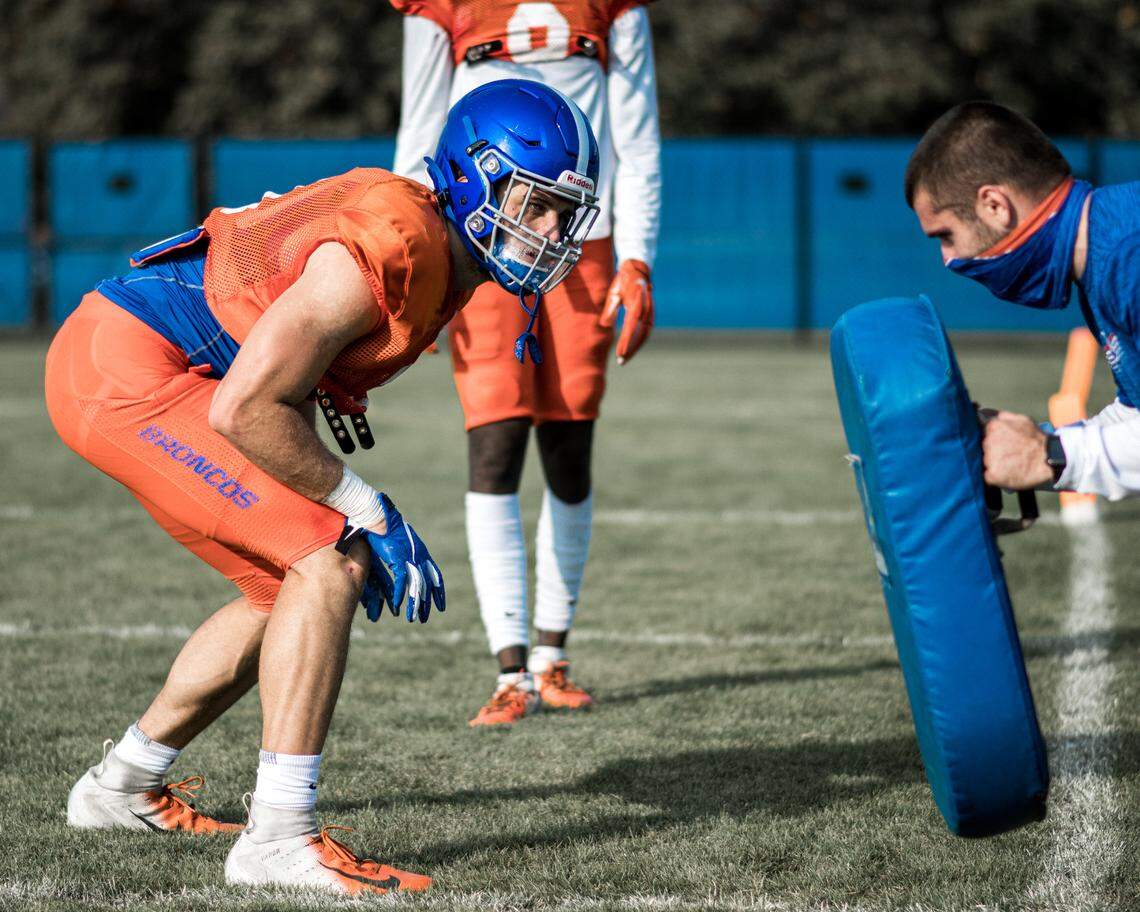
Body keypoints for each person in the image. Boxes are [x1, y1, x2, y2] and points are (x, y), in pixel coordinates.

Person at [46, 79, 600, 895]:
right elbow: (246, 406)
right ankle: (279, 839)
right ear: (474, 176)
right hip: (133, 367)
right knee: (329, 560)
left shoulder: (443, 248)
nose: (550, 230)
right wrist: (363, 504)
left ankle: (122, 784)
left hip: (155, 364)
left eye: (565, 212)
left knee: (287, 592)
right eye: (535, 202)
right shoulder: (395, 243)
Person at [390, 0, 662, 727]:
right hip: (481, 238)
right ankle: (509, 668)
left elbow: (636, 137)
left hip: (584, 236)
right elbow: (421, 129)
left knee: (569, 445)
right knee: (495, 444)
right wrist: (413, 260)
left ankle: (551, 657)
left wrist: (638, 257)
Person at [906, 101, 1140, 499]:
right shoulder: (1101, 260)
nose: (947, 259)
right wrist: (1031, 441)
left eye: (945, 235)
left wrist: (1049, 454)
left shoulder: (1129, 254)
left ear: (994, 205)